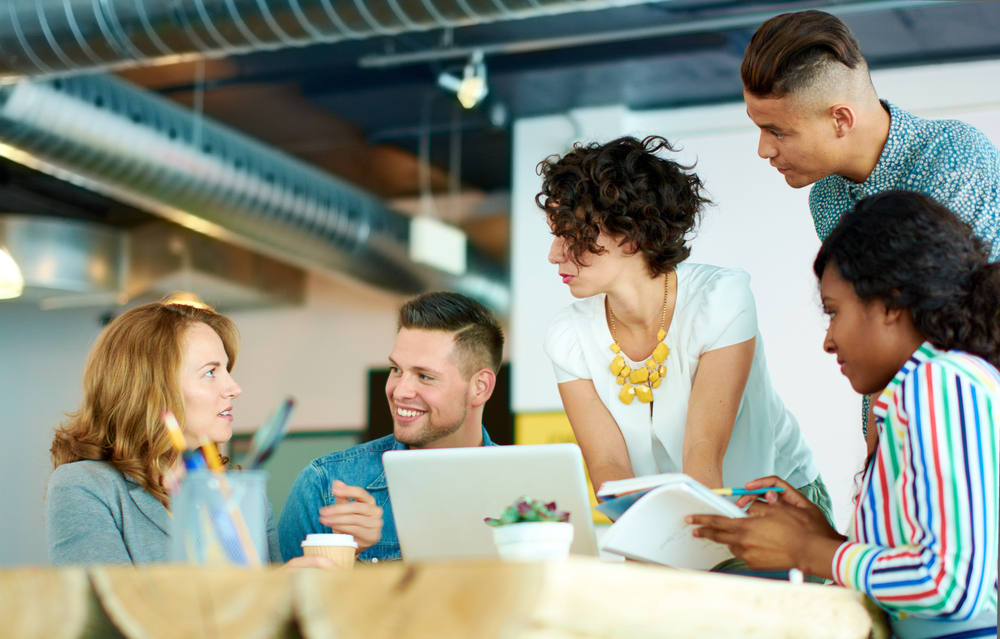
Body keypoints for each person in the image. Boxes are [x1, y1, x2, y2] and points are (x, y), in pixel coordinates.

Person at [691, 191, 999, 639]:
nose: (828, 340)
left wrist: (809, 551)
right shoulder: (928, 387)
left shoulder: (940, 383)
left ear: (892, 302)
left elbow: (952, 585)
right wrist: (831, 541)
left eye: (833, 312)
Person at [540, 135, 829, 522]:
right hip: (672, 519)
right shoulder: (569, 336)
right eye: (554, 234)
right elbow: (607, 465)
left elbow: (703, 453)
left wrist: (682, 548)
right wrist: (646, 538)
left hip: (775, 508)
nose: (554, 254)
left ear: (632, 233)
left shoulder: (720, 299)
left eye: (570, 234)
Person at [45, 302, 326, 566]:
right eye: (210, 372)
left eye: (226, 369)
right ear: (152, 389)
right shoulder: (84, 486)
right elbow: (107, 610)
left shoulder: (245, 498)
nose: (234, 387)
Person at [741, 9, 1000, 258]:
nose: (763, 151)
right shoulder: (825, 199)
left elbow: (964, 297)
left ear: (841, 120)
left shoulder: (954, 157)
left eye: (777, 132)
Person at [278, 291, 503, 563]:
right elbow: (284, 602)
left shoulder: (526, 493)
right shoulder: (323, 484)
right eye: (396, 369)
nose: (399, 391)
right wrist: (346, 555)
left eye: (425, 376)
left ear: (480, 388)